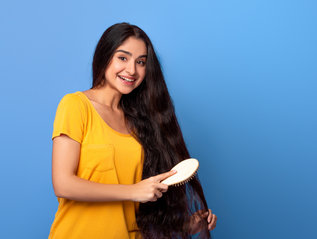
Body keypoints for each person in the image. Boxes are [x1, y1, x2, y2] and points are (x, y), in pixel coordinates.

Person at [49, 22, 217, 239]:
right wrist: (133, 191)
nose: (132, 70)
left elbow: (140, 210)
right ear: (104, 55)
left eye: (141, 62)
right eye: (123, 58)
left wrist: (186, 226)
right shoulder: (75, 105)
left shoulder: (141, 124)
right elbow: (63, 184)